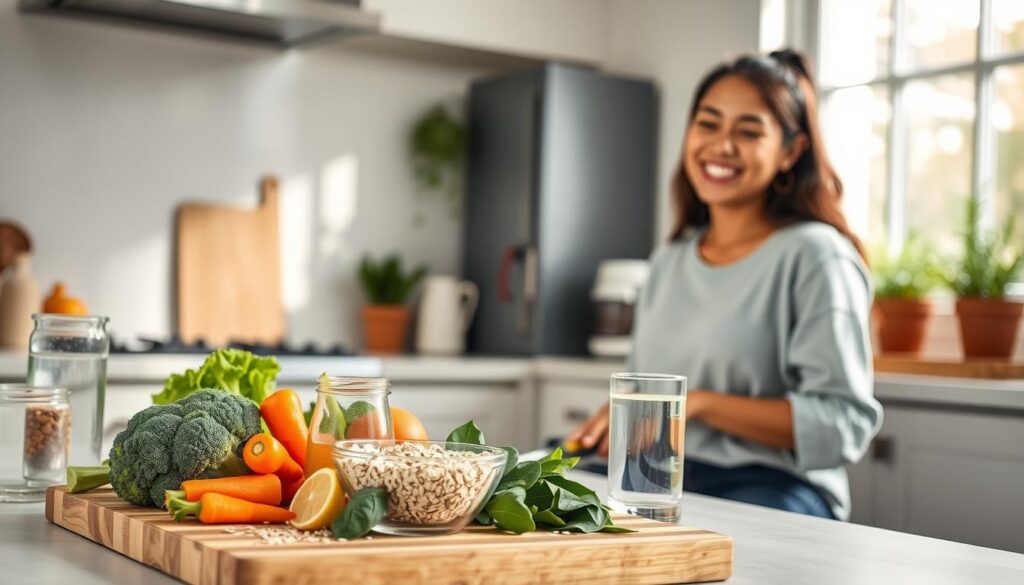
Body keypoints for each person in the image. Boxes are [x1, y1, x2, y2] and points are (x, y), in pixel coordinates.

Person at [566, 49, 882, 521]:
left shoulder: (816, 255)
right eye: (708, 124)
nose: (722, 145)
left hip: (772, 484)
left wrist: (698, 404)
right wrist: (616, 425)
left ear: (790, 152)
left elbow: (843, 424)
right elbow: (643, 397)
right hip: (655, 477)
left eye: (749, 131)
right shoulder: (669, 261)